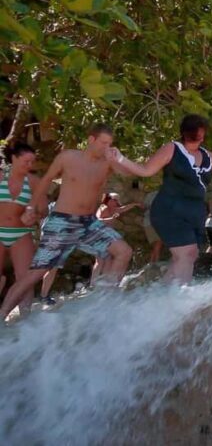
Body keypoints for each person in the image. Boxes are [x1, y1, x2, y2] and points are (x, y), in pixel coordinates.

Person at [109, 114, 212, 283]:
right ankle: (177, 298)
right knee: (187, 254)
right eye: (196, 132)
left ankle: (160, 295)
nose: (199, 135)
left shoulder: (206, 155)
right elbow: (146, 170)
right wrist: (120, 158)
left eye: (201, 132)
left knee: (187, 257)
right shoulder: (172, 148)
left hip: (194, 213)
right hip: (169, 210)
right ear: (186, 132)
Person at [0, 124, 134, 320]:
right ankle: (3, 314)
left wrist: (119, 157)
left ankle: (105, 304)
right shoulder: (68, 157)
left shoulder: (108, 162)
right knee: (35, 274)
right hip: (61, 222)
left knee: (124, 251)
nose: (107, 147)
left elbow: (128, 173)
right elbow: (46, 180)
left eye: (110, 144)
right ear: (91, 140)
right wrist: (31, 207)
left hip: (88, 223)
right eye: (104, 142)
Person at [0, 143, 41, 314]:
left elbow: (43, 209)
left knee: (25, 279)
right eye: (26, 161)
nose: (29, 166)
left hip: (21, 232)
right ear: (14, 158)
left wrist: (34, 215)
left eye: (32, 162)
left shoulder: (34, 181)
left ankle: (24, 321)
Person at [91, 193, 142, 285]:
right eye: (114, 200)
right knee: (100, 260)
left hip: (107, 236)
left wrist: (134, 204)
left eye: (117, 200)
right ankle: (94, 283)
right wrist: (110, 218)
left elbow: (123, 208)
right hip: (99, 235)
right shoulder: (103, 208)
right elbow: (97, 220)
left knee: (107, 258)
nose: (116, 202)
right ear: (108, 200)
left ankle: (104, 282)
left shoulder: (113, 209)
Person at [141, 189, 163, 263]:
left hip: (157, 223)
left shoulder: (168, 195)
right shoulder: (151, 195)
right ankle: (155, 263)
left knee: (157, 244)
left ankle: (152, 263)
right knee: (158, 242)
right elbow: (143, 207)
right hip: (150, 222)